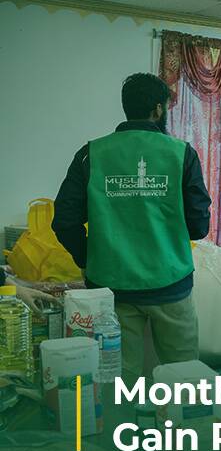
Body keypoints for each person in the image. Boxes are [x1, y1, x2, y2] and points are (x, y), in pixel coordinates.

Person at [53, 73, 211, 381]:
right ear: (158, 109)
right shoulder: (181, 153)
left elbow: (64, 220)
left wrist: (88, 258)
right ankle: (179, 415)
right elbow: (198, 226)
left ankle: (123, 414)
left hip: (111, 289)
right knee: (183, 376)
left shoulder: (91, 154)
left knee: (118, 378)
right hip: (171, 283)